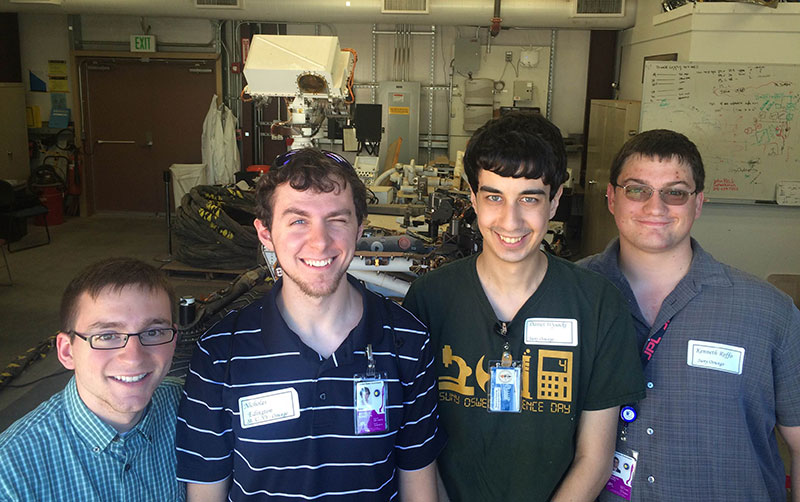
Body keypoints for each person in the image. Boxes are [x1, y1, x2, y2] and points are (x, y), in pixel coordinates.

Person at [176, 148, 446, 501]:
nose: (319, 241)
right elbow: (206, 491)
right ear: (265, 233)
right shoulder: (219, 354)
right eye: (298, 220)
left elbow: (418, 486)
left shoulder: (408, 341)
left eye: (337, 219)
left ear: (359, 229)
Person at [402, 112, 646, 501]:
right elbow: (417, 445)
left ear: (555, 202)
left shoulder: (597, 305)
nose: (510, 221)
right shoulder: (430, 299)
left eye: (529, 198)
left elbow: (595, 458)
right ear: (473, 200)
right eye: (494, 197)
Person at [580, 129, 800, 502]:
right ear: (612, 198)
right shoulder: (567, 298)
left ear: (698, 204)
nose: (656, 207)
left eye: (675, 192)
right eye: (637, 189)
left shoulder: (770, 314)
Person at [0, 258, 184, 501]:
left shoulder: (192, 407)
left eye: (153, 332)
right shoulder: (11, 472)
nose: (133, 358)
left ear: (173, 339)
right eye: (107, 335)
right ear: (67, 351)